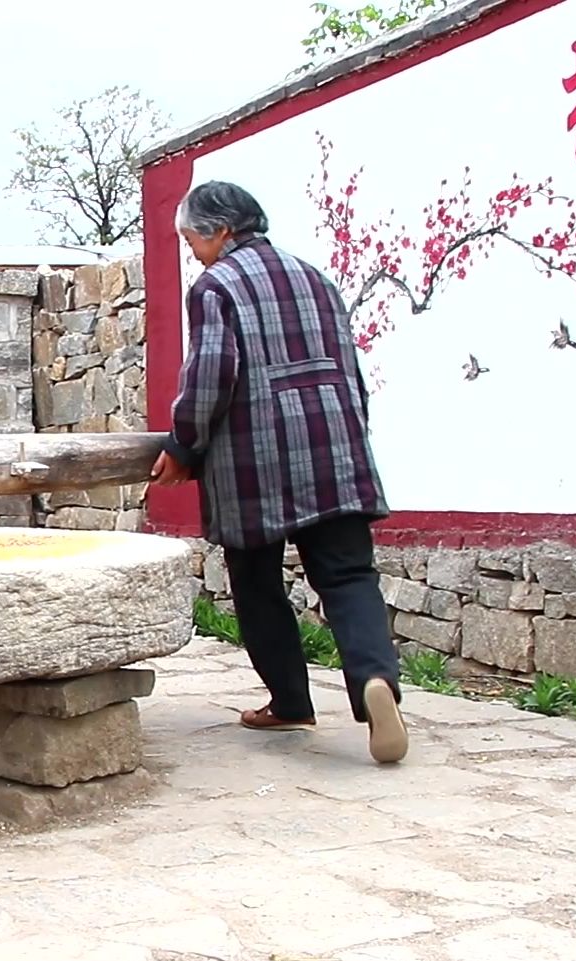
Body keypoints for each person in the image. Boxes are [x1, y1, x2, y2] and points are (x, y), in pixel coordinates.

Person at [150, 180, 408, 765]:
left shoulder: (216, 286)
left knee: (256, 580)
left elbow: (211, 374)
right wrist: (353, 435)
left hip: (255, 457)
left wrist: (184, 445)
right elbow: (349, 367)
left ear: (220, 231)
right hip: (334, 445)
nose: (191, 249)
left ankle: (291, 701)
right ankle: (374, 684)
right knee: (347, 576)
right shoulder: (316, 276)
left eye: (191, 237)